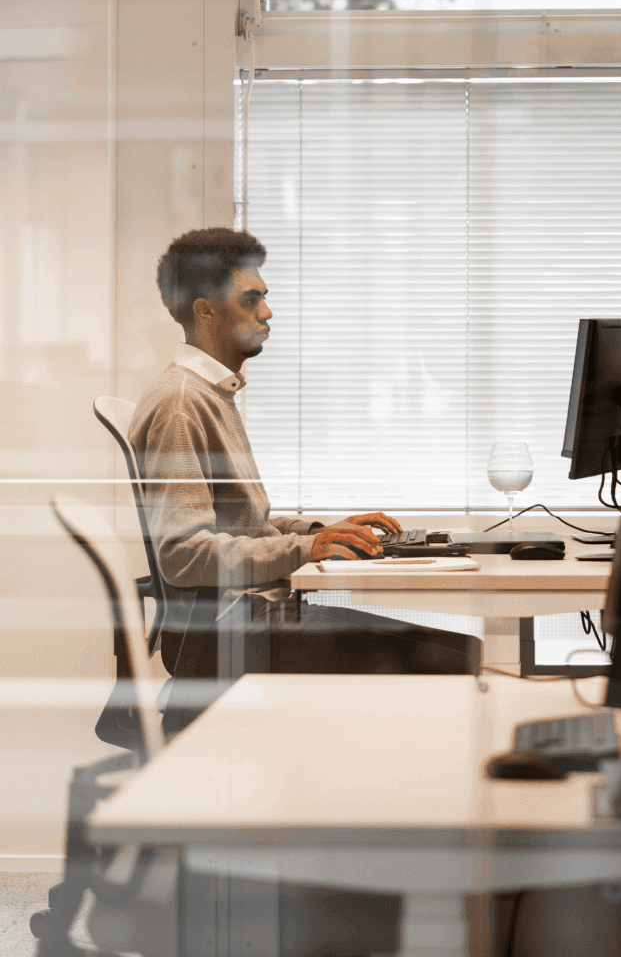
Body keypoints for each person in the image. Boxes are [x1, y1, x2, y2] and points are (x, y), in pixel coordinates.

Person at [130, 227, 478, 731]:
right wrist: (304, 551)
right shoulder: (181, 402)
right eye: (251, 300)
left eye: (265, 298)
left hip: (247, 622)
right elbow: (183, 555)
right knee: (453, 655)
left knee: (453, 649)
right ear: (205, 310)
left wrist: (319, 533)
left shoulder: (211, 393)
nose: (267, 313)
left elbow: (244, 525)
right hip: (225, 637)